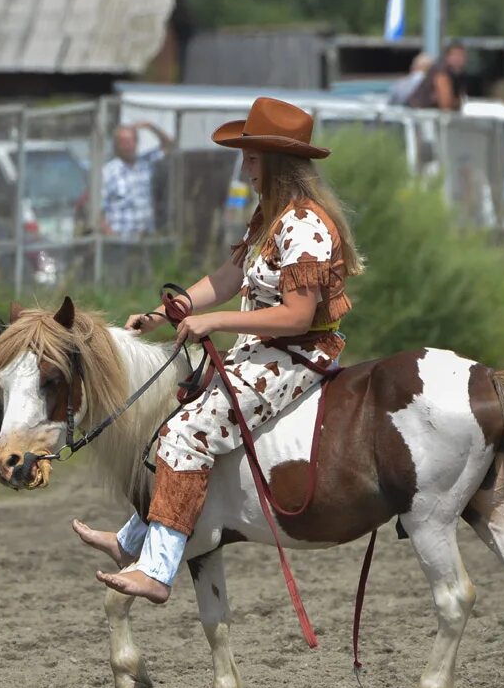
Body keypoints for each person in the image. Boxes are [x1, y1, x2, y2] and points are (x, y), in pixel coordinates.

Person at [73, 98, 365, 603]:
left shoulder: (304, 226)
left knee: (185, 433)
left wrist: (216, 320)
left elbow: (297, 317)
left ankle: (157, 572)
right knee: (178, 413)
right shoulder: (268, 219)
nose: (245, 166)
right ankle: (132, 542)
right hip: (266, 352)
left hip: (296, 354)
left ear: (275, 161)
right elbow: (229, 279)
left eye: (252, 156)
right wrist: (169, 312)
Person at [101, 121, 174, 239]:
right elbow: (99, 210)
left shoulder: (145, 163)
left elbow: (169, 145)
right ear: (116, 145)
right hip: (119, 240)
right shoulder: (108, 172)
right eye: (123, 142)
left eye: (130, 141)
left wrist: (150, 126)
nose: (127, 146)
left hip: (144, 239)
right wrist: (111, 235)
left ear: (136, 142)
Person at [407, 41, 467, 111]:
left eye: (461, 55)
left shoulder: (459, 75)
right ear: (447, 57)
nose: (458, 59)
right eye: (455, 55)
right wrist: (455, 101)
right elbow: (445, 104)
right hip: (418, 115)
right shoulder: (441, 71)